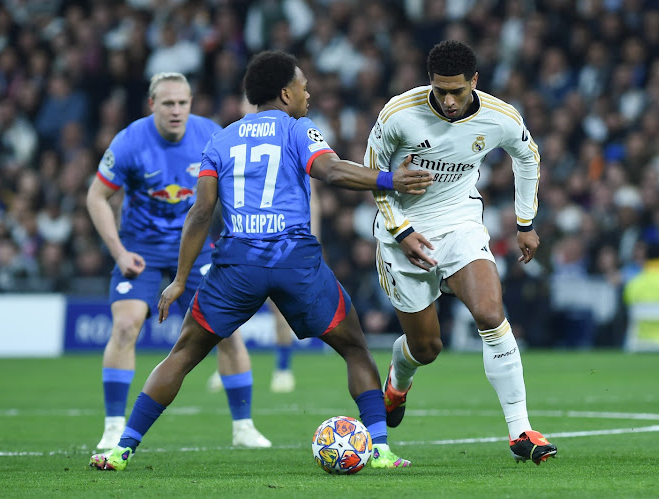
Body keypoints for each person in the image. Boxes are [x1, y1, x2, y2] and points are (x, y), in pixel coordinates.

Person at [89, 50, 432, 471]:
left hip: (237, 266)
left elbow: (200, 214)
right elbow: (332, 172)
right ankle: (379, 450)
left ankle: (122, 449)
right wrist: (388, 179)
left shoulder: (221, 139)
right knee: (355, 348)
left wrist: (180, 279)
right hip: (294, 261)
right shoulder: (298, 129)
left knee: (182, 354)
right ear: (286, 94)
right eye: (304, 87)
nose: (309, 94)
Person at [365, 40, 557, 465]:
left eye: (457, 91)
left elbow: (528, 157)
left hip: (459, 222)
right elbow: (372, 177)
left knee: (491, 314)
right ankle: (398, 382)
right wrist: (402, 231)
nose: (448, 101)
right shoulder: (399, 113)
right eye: (440, 91)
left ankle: (520, 431)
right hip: (402, 231)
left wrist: (525, 223)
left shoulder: (500, 117)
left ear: (475, 81)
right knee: (427, 347)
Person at [85, 72, 270, 451]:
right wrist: (119, 252)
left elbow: (237, 192)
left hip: (197, 246)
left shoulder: (211, 136)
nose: (176, 110)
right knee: (125, 326)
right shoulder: (129, 142)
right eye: (167, 103)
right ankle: (113, 426)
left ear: (191, 104)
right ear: (152, 105)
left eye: (182, 103)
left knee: (227, 331)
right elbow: (96, 197)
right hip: (142, 248)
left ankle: (244, 427)